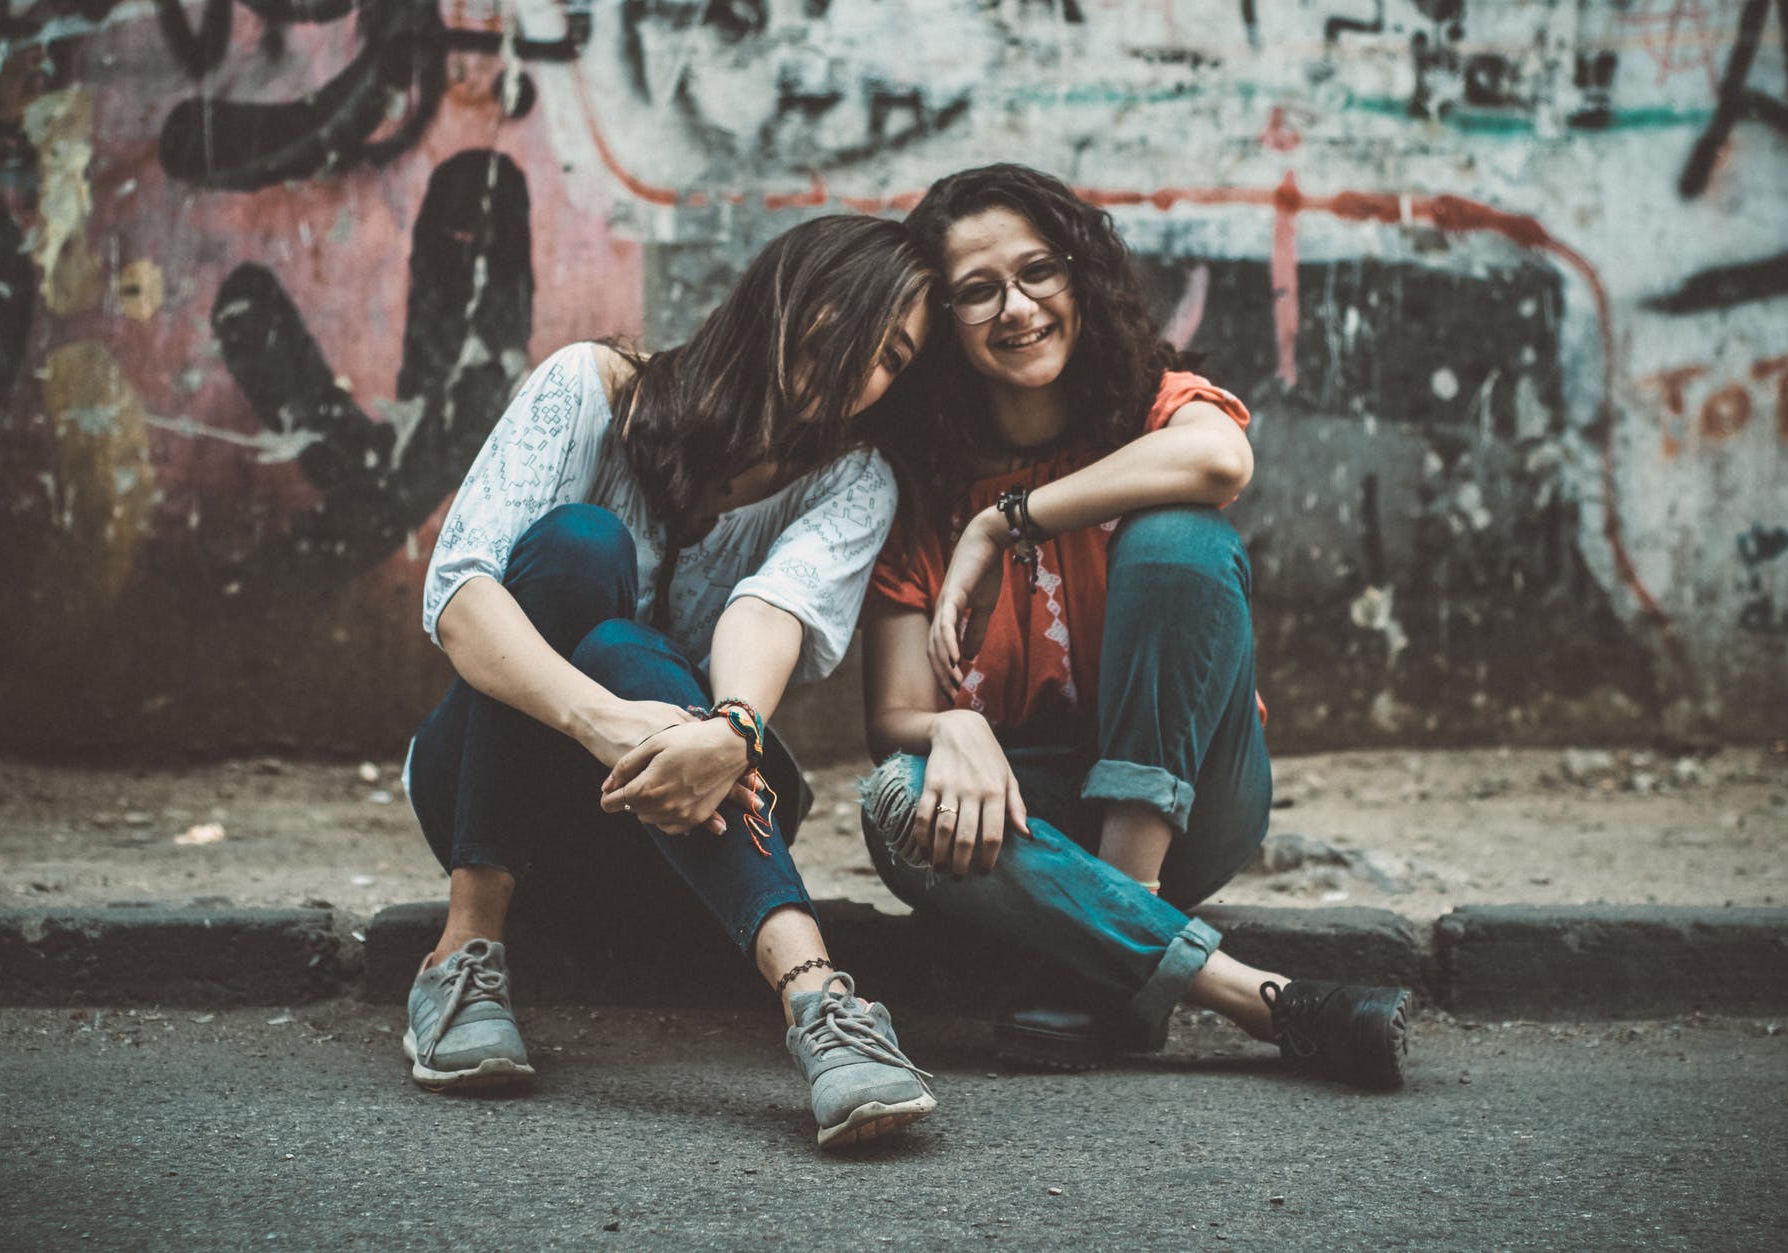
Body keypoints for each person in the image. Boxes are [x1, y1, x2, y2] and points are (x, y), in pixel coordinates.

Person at [860, 164, 1411, 1087]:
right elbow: (892, 718)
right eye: (977, 291)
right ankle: (1240, 993)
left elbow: (1219, 456)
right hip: (1027, 820)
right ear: (942, 322)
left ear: (1080, 274)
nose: (1018, 308)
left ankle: (1119, 913)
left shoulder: (1147, 407)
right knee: (893, 800)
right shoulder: (918, 485)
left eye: (1040, 271)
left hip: (1196, 795)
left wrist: (1006, 520)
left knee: (1181, 537)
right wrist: (952, 725)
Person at [403, 215, 940, 1148]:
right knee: (580, 550)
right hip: (487, 804)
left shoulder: (856, 480)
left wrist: (729, 727)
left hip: (689, 829)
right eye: (851, 317)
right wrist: (602, 719)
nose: (862, 362)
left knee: (626, 646)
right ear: (785, 288)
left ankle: (823, 1005)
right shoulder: (590, 387)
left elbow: (769, 610)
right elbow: (459, 598)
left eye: (893, 353)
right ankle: (465, 950)